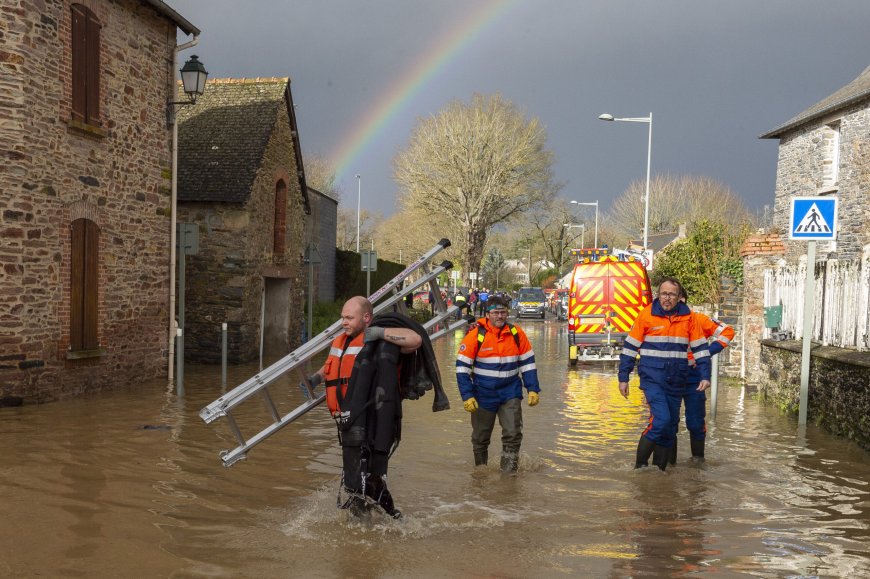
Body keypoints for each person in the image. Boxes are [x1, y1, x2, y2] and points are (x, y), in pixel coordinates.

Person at [307, 296, 446, 518]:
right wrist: (315, 379)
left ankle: (384, 521)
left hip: (374, 421)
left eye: (349, 318)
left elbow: (415, 340)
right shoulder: (341, 341)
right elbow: (332, 367)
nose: (344, 322)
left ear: (366, 318)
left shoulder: (384, 340)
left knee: (367, 479)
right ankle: (376, 524)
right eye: (343, 317)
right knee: (355, 480)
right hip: (348, 421)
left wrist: (381, 333)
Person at [617, 278, 712, 471]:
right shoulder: (646, 316)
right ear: (658, 294)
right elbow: (629, 349)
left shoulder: (689, 318)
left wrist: (705, 375)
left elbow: (701, 350)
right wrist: (623, 377)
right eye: (663, 293)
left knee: (670, 428)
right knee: (661, 421)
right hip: (653, 379)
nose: (666, 298)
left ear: (679, 298)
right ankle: (640, 467)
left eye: (671, 294)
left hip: (677, 379)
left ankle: (659, 472)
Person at [455, 295, 541, 472]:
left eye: (503, 312)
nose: (500, 316)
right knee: (480, 437)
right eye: (496, 313)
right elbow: (462, 368)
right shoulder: (475, 336)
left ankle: (509, 476)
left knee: (513, 434)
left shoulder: (517, 334)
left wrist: (532, 388)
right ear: (488, 314)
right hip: (483, 394)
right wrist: (467, 395)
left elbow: (528, 364)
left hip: (510, 392)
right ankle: (481, 471)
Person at [668, 289, 735, 464]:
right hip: (670, 377)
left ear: (682, 299)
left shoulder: (699, 319)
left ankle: (698, 464)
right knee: (668, 423)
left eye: (675, 297)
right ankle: (668, 466)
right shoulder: (661, 321)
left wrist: (707, 352)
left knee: (696, 422)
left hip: (694, 377)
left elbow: (728, 332)